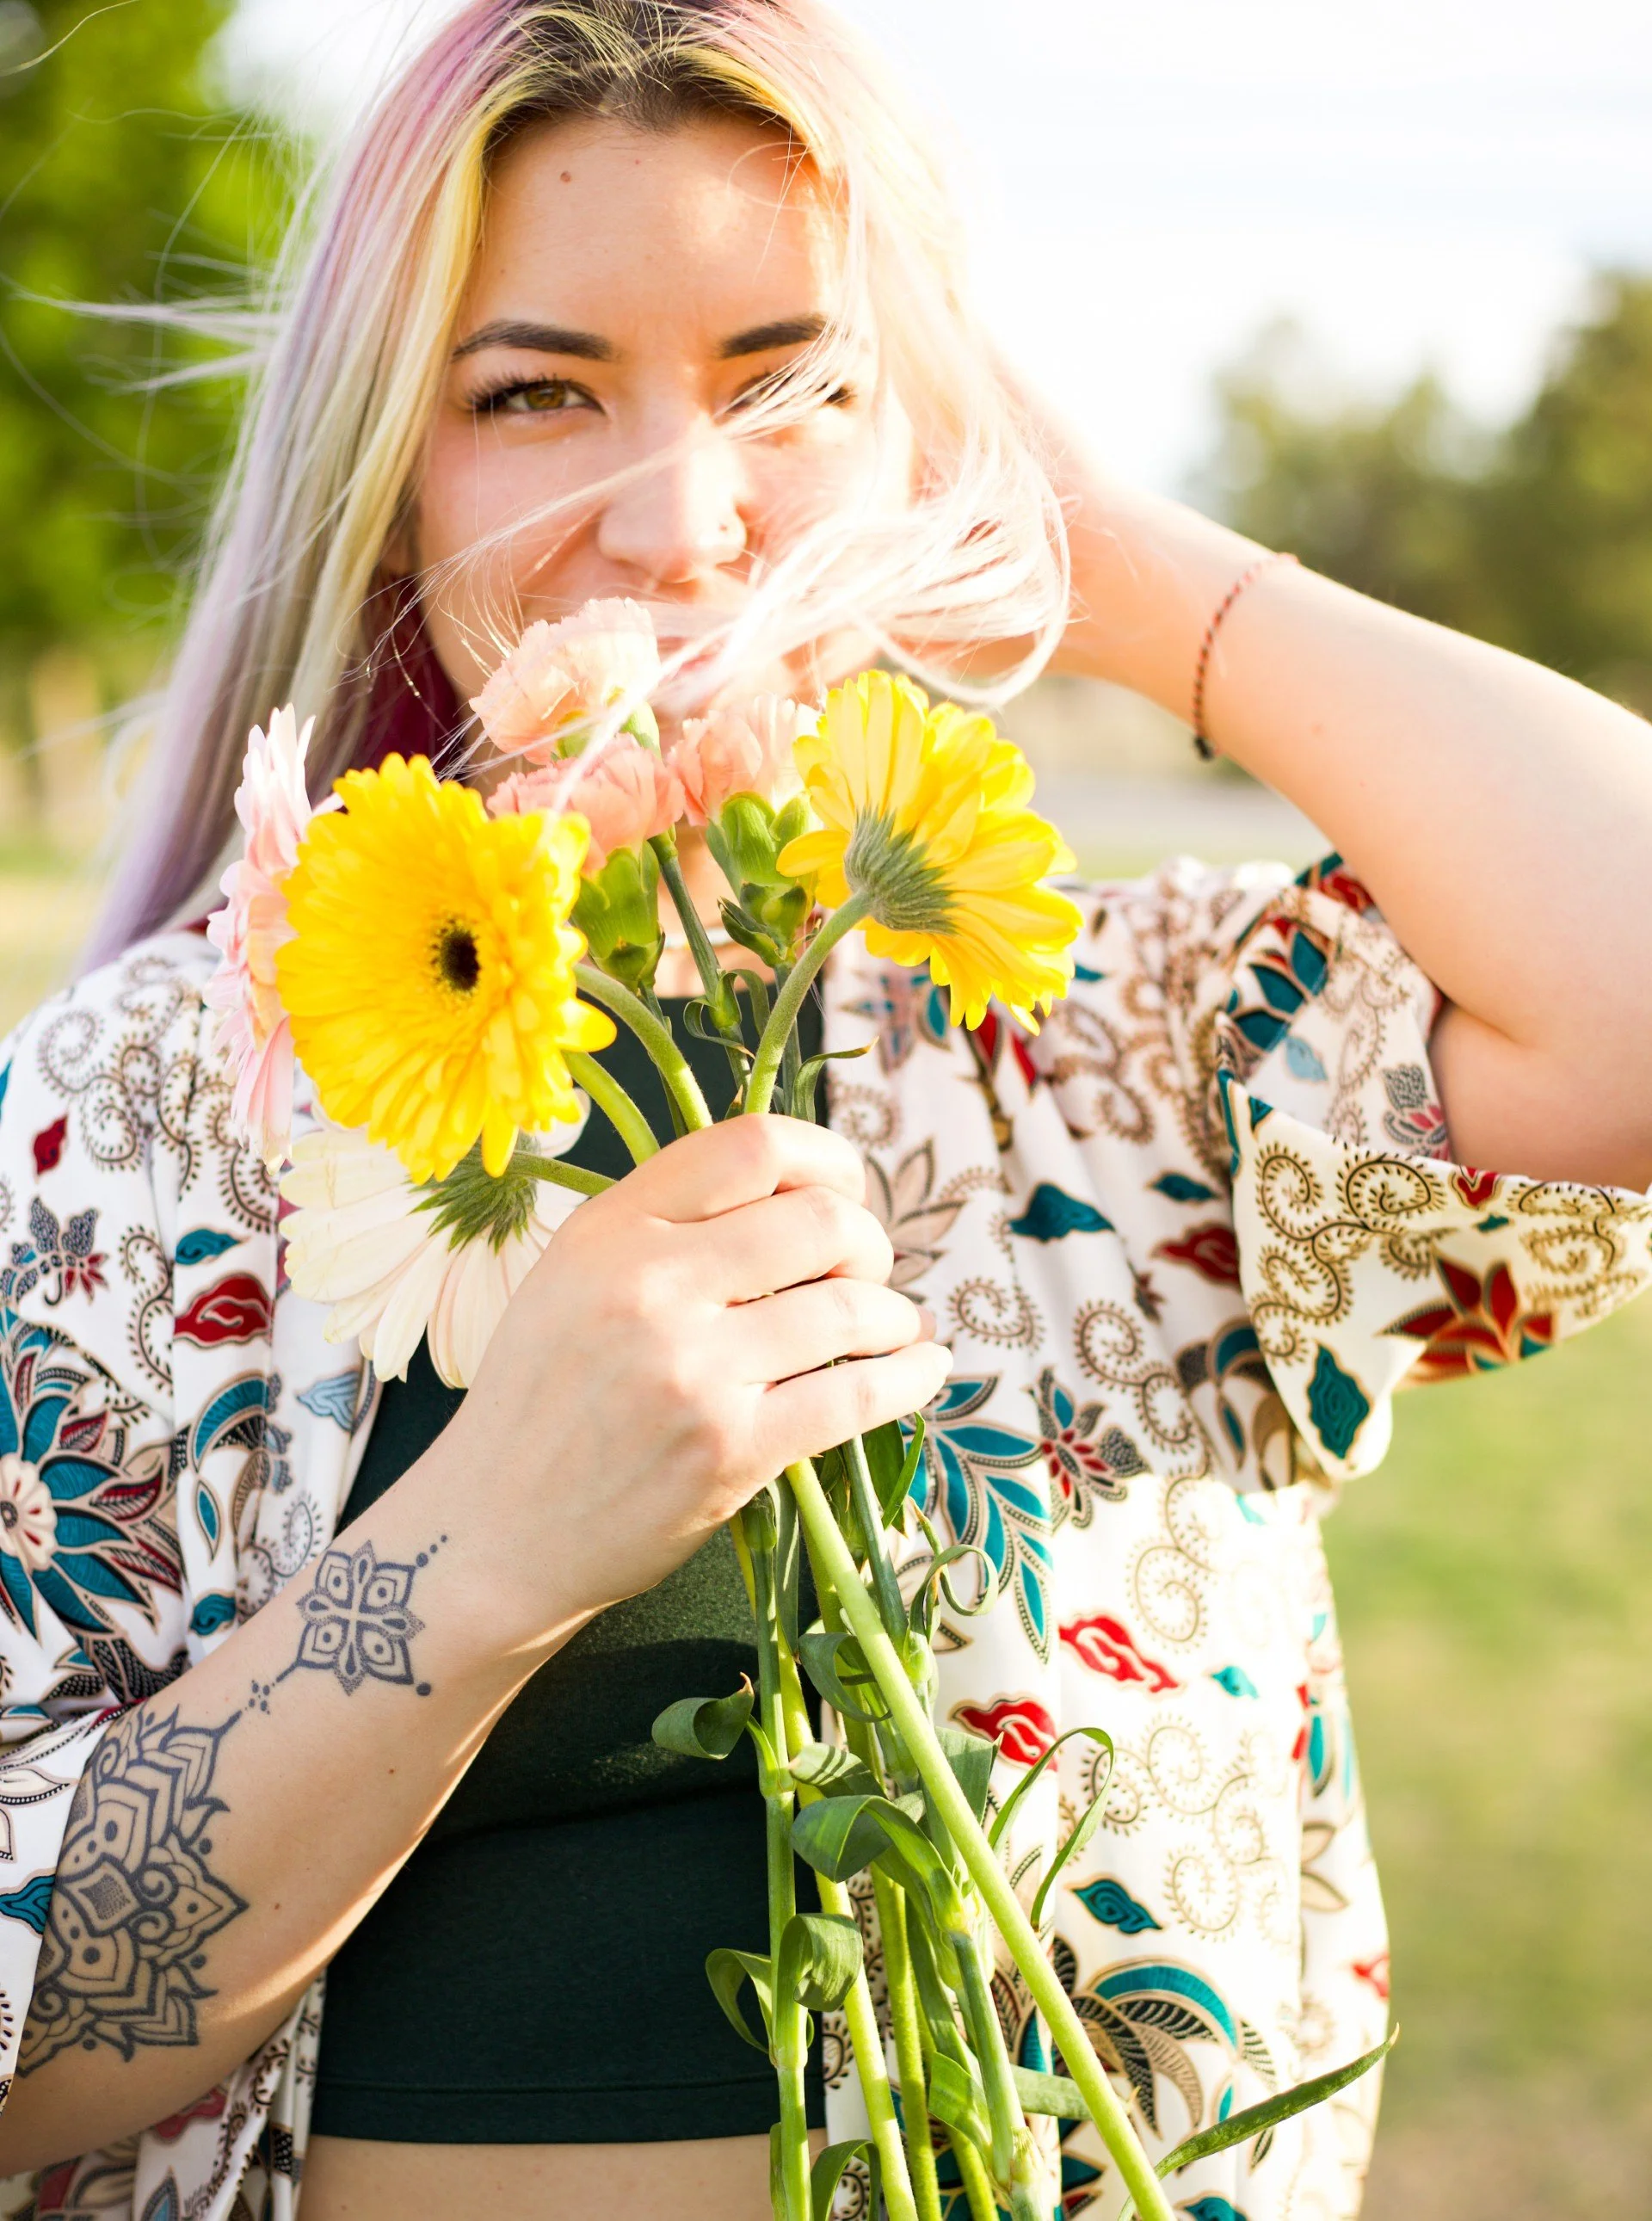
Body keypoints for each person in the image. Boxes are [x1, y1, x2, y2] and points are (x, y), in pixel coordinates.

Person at [1, 3, 1650, 2218]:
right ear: (397, 462)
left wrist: (1091, 550)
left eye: (792, 382)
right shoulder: (141, 1120)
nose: (680, 521)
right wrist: (481, 1548)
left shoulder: (1101, 1043)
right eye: (533, 394)